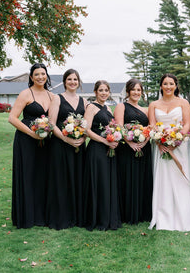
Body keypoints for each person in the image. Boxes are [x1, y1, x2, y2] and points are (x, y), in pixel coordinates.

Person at [148, 73, 190, 231]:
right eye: (165, 84)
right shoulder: (154, 104)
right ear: (161, 86)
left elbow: (187, 125)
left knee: (181, 180)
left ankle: (187, 215)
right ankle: (164, 215)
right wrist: (160, 141)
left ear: (176, 86)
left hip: (181, 146)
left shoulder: (183, 102)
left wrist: (175, 141)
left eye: (171, 84)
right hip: (161, 147)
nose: (168, 87)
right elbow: (152, 125)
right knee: (165, 181)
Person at [8, 63, 53, 228]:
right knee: (28, 176)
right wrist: (31, 133)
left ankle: (42, 215)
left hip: (45, 142)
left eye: (43, 73)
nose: (41, 77)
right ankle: (27, 216)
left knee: (43, 176)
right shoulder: (26, 94)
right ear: (31, 77)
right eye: (37, 74)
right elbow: (12, 118)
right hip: (26, 141)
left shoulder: (51, 95)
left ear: (46, 75)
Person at [45, 69, 88, 229]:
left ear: (79, 82)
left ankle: (77, 216)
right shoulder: (57, 98)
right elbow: (51, 123)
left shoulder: (83, 101)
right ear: (64, 82)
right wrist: (66, 139)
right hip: (61, 145)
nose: (72, 82)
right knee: (61, 181)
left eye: (75, 79)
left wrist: (83, 138)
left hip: (78, 146)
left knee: (77, 179)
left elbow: (87, 124)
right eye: (69, 79)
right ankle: (62, 217)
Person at [83, 80, 121, 231]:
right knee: (99, 182)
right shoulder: (91, 107)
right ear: (95, 92)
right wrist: (105, 141)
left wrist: (114, 138)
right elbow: (86, 130)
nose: (104, 93)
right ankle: (97, 218)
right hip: (96, 150)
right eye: (101, 90)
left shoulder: (109, 109)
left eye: (106, 90)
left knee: (107, 183)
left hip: (108, 150)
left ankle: (108, 216)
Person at [114, 79, 153, 224]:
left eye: (139, 90)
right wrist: (129, 142)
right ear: (128, 91)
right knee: (128, 179)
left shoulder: (146, 109)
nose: (136, 92)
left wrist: (145, 141)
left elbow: (150, 128)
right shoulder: (121, 106)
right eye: (134, 90)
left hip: (143, 148)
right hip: (127, 148)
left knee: (142, 179)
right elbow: (119, 126)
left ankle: (143, 213)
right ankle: (128, 213)